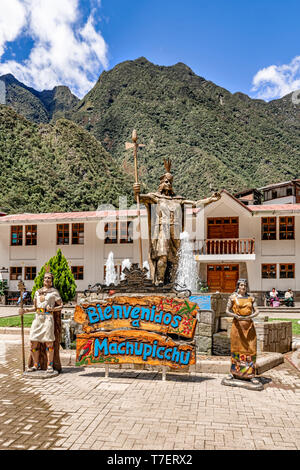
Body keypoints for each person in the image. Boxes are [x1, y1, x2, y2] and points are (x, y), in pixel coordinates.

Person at [133, 159, 221, 285]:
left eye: (170, 182)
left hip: (175, 231)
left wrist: (211, 199)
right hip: (162, 230)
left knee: (174, 260)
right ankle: (159, 281)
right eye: (166, 181)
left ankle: (171, 283)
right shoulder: (156, 198)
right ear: (161, 184)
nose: (168, 183)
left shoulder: (178, 200)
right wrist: (136, 190)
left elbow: (196, 203)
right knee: (162, 255)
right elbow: (140, 198)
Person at [19, 270, 62, 372]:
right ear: (43, 280)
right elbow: (35, 307)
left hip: (48, 318)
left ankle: (50, 365)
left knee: (49, 342)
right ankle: (35, 365)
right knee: (33, 342)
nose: (47, 279)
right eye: (45, 278)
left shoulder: (54, 292)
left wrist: (53, 309)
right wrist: (25, 310)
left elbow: (61, 305)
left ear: (52, 280)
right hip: (38, 318)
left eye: (49, 278)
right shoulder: (38, 292)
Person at [225, 279, 260, 384]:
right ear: (238, 286)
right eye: (241, 285)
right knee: (236, 348)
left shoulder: (251, 298)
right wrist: (235, 315)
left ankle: (250, 374)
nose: (243, 287)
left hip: (249, 326)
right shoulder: (233, 297)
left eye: (245, 285)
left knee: (251, 348)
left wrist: (250, 316)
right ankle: (234, 372)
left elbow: (257, 310)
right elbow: (227, 310)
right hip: (237, 327)